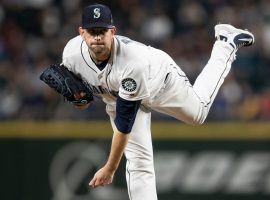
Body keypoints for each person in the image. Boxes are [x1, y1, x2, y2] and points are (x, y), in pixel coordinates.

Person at [61, 3, 254, 200]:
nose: (98, 37)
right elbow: (83, 100)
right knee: (139, 162)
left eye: (102, 31)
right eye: (92, 31)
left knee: (198, 114)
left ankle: (225, 42)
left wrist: (110, 168)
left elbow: (124, 126)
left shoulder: (132, 63)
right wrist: (79, 100)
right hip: (117, 97)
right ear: (81, 32)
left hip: (161, 82)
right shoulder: (71, 55)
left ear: (113, 32)